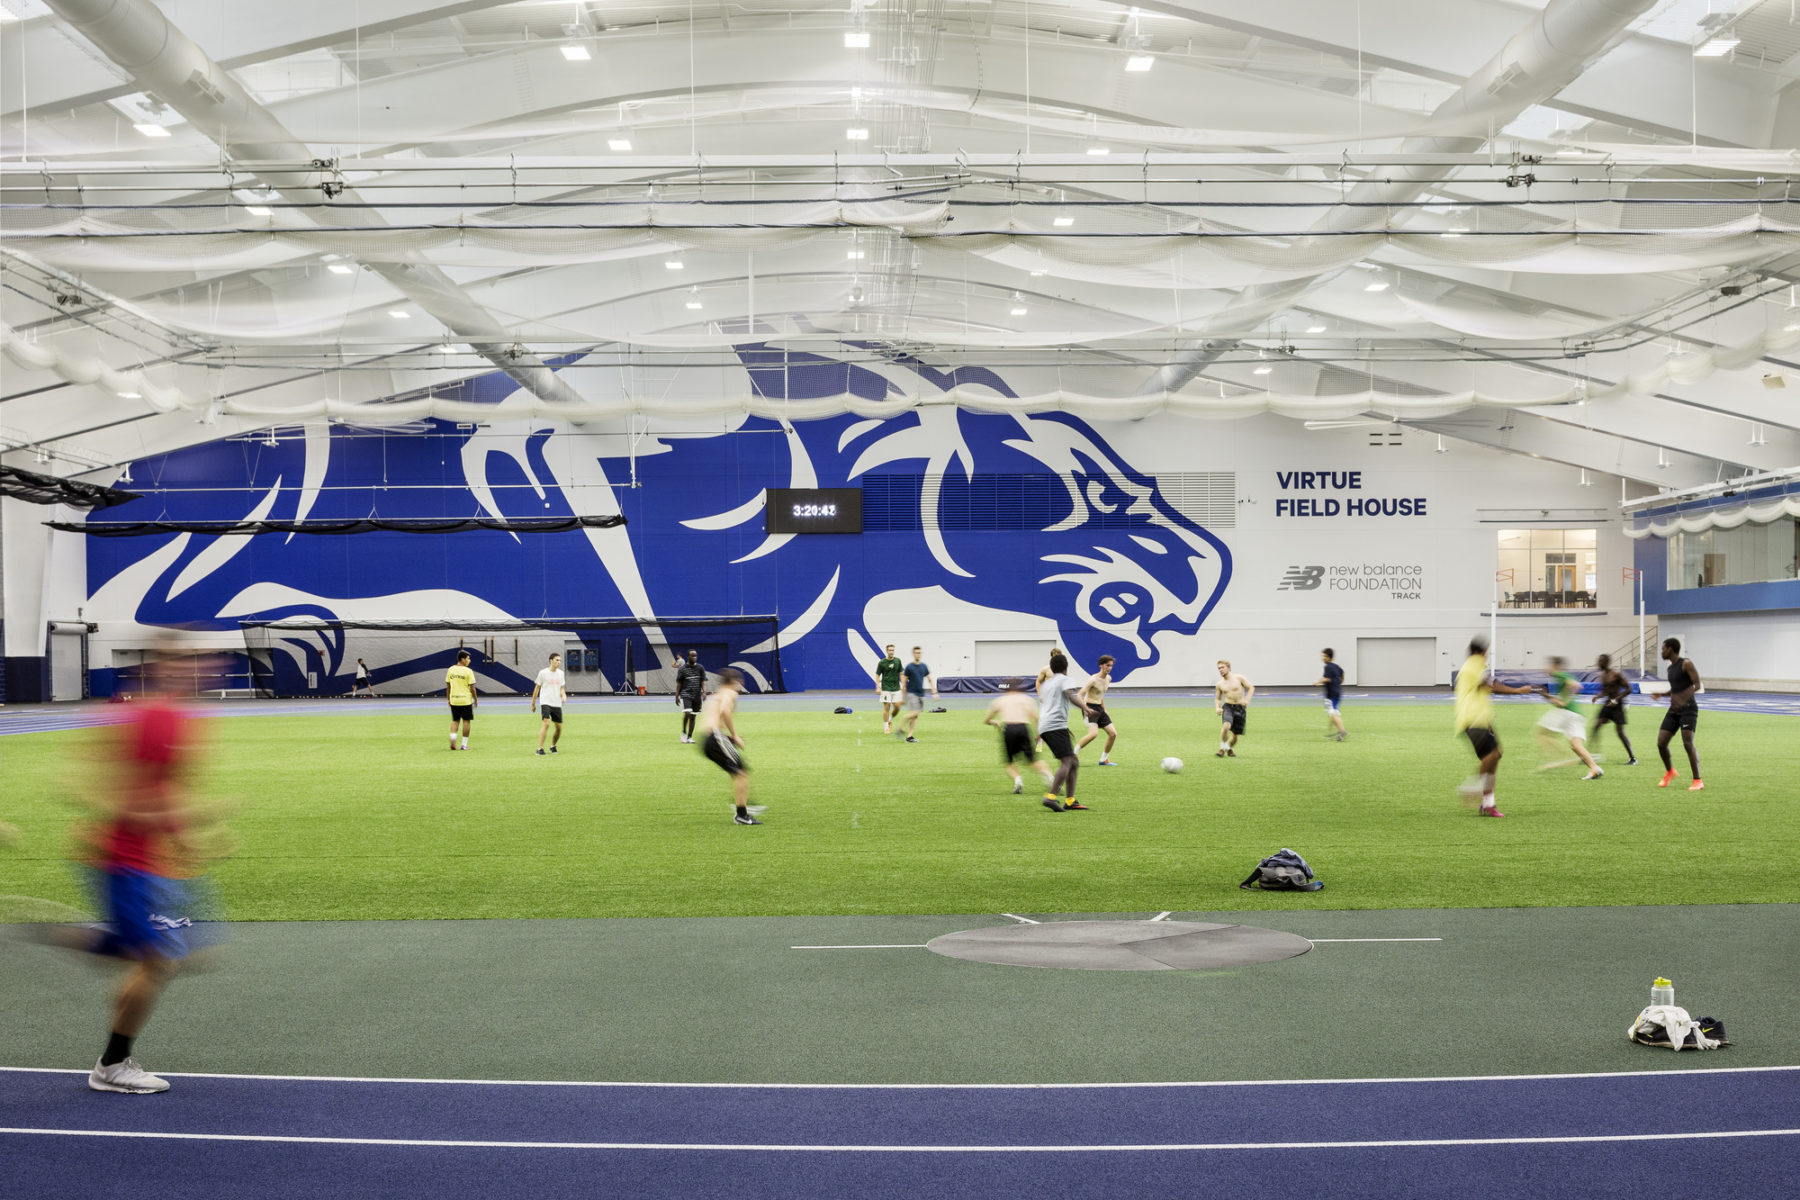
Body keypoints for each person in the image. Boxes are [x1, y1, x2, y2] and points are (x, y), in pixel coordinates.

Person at [67, 645, 228, 1094]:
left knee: (176, 957)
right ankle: (112, 1065)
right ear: (161, 668)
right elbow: (128, 794)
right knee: (161, 959)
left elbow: (160, 788)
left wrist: (185, 837)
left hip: (144, 862)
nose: (199, 672)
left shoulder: (172, 718)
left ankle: (102, 941)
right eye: (185, 663)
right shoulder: (157, 717)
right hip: (126, 861)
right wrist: (187, 825)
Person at [1452, 636, 1541, 817]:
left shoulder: (1469, 666)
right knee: (1492, 755)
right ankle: (1472, 787)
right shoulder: (1475, 665)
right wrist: (1518, 691)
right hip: (1474, 720)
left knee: (1496, 754)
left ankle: (1488, 803)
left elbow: (1477, 694)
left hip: (1477, 719)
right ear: (1483, 651)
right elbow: (1491, 685)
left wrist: (1489, 721)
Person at [696, 668, 758, 824]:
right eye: (740, 681)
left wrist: (728, 738)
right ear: (734, 682)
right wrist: (735, 735)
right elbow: (724, 711)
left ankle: (741, 805)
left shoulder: (717, 694)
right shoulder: (729, 693)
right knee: (742, 773)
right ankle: (742, 814)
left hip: (708, 740)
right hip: (715, 737)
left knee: (737, 772)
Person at [1535, 656, 1603, 781]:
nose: (1547, 668)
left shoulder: (1560, 674)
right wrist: (1546, 695)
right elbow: (1559, 700)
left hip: (1567, 712)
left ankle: (1563, 757)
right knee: (1575, 745)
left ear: (1555, 666)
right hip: (1576, 714)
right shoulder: (1563, 676)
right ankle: (1594, 768)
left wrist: (1565, 700)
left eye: (1549, 666)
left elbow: (1575, 686)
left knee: (1542, 733)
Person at [985, 679, 1055, 795]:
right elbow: (1035, 718)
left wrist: (995, 722)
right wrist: (1039, 734)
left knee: (1009, 761)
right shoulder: (1026, 699)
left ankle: (1018, 780)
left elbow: (987, 719)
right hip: (1023, 728)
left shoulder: (1000, 700)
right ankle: (1048, 776)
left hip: (1008, 729)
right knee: (1033, 759)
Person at [1037, 651, 1087, 811]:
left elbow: (1050, 706)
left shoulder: (1046, 684)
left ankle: (1070, 800)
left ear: (1051, 667)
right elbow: (1070, 696)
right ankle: (1051, 797)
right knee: (1067, 761)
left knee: (1073, 762)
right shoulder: (1065, 680)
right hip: (1055, 725)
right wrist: (1085, 707)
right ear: (1066, 667)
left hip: (1047, 725)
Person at [1656, 638, 1703, 791]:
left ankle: (1697, 780)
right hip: (1674, 710)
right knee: (1661, 742)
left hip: (1688, 709)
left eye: (1663, 648)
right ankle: (1670, 771)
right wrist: (1663, 694)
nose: (1662, 652)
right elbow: (1675, 689)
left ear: (1670, 649)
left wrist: (1683, 698)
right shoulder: (1670, 669)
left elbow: (1697, 685)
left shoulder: (1686, 664)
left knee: (1687, 744)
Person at [1590, 653, 1637, 767]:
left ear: (1606, 662)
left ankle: (1633, 758)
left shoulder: (1616, 674)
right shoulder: (1603, 675)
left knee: (1620, 733)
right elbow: (1606, 690)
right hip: (1608, 704)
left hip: (1617, 705)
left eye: (1600, 661)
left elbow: (1629, 689)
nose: (1598, 663)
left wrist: (1616, 699)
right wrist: (1598, 696)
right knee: (1596, 726)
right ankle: (1593, 754)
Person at [1075, 655, 1120, 765]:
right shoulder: (1093, 680)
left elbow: (1101, 695)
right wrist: (1084, 708)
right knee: (1093, 734)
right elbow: (1079, 695)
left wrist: (1105, 709)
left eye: (1111, 666)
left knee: (1113, 734)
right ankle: (1073, 755)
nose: (1109, 668)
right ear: (1101, 665)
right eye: (1107, 665)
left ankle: (1104, 760)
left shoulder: (1108, 679)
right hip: (1089, 708)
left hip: (1100, 708)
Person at [1213, 660, 1254, 757]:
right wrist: (1217, 708)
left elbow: (1251, 687)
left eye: (1222, 667)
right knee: (1226, 726)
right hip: (1228, 707)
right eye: (1219, 668)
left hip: (1240, 708)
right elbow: (1218, 698)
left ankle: (1229, 748)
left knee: (1235, 735)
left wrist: (1246, 700)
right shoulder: (1220, 684)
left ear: (1229, 668)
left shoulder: (1239, 678)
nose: (1220, 670)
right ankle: (1222, 748)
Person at [531, 653, 567, 755]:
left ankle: (553, 746)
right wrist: (533, 703)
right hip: (545, 701)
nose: (558, 662)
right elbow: (537, 688)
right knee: (546, 723)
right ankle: (540, 749)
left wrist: (563, 695)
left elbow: (561, 688)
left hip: (556, 703)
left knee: (559, 727)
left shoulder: (561, 674)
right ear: (551, 660)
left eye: (560, 660)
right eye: (556, 660)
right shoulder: (543, 673)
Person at [897, 646, 934, 743]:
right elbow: (904, 683)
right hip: (911, 693)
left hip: (921, 693)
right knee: (915, 712)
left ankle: (909, 737)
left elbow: (930, 679)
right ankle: (900, 728)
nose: (918, 654)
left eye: (919, 653)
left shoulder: (924, 666)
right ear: (913, 654)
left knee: (915, 716)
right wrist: (903, 697)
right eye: (916, 653)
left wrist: (934, 692)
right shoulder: (909, 667)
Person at [445, 649, 477, 750]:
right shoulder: (468, 671)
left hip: (454, 699)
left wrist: (448, 699)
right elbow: (472, 687)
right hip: (465, 700)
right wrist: (475, 700)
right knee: (466, 721)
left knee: (455, 721)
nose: (469, 660)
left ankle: (453, 741)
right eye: (468, 658)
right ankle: (464, 745)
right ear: (462, 659)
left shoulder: (450, 669)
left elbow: (448, 686)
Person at [675, 650, 707, 744]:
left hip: (697, 695)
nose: (694, 657)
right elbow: (679, 683)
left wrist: (704, 692)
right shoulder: (682, 669)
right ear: (688, 657)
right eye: (692, 656)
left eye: (695, 656)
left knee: (693, 716)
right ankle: (684, 733)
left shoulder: (700, 668)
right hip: (686, 694)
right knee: (687, 713)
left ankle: (690, 737)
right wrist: (676, 696)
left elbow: (703, 681)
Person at [874, 644, 905, 735]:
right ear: (887, 651)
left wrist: (903, 685)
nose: (891, 652)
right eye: (890, 650)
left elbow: (901, 673)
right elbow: (877, 675)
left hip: (896, 687)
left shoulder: (898, 661)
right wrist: (877, 686)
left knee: (898, 706)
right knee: (887, 706)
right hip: (886, 687)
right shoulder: (882, 662)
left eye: (893, 650)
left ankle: (890, 719)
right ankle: (886, 727)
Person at [1317, 649, 1346, 741]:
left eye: (1324, 656)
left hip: (1331, 694)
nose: (1323, 658)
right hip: (1338, 692)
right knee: (1332, 713)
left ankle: (1342, 731)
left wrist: (1318, 682)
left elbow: (1327, 679)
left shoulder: (1328, 667)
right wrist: (1340, 681)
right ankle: (1333, 732)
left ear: (1329, 657)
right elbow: (1342, 673)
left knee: (1332, 713)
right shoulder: (1336, 666)